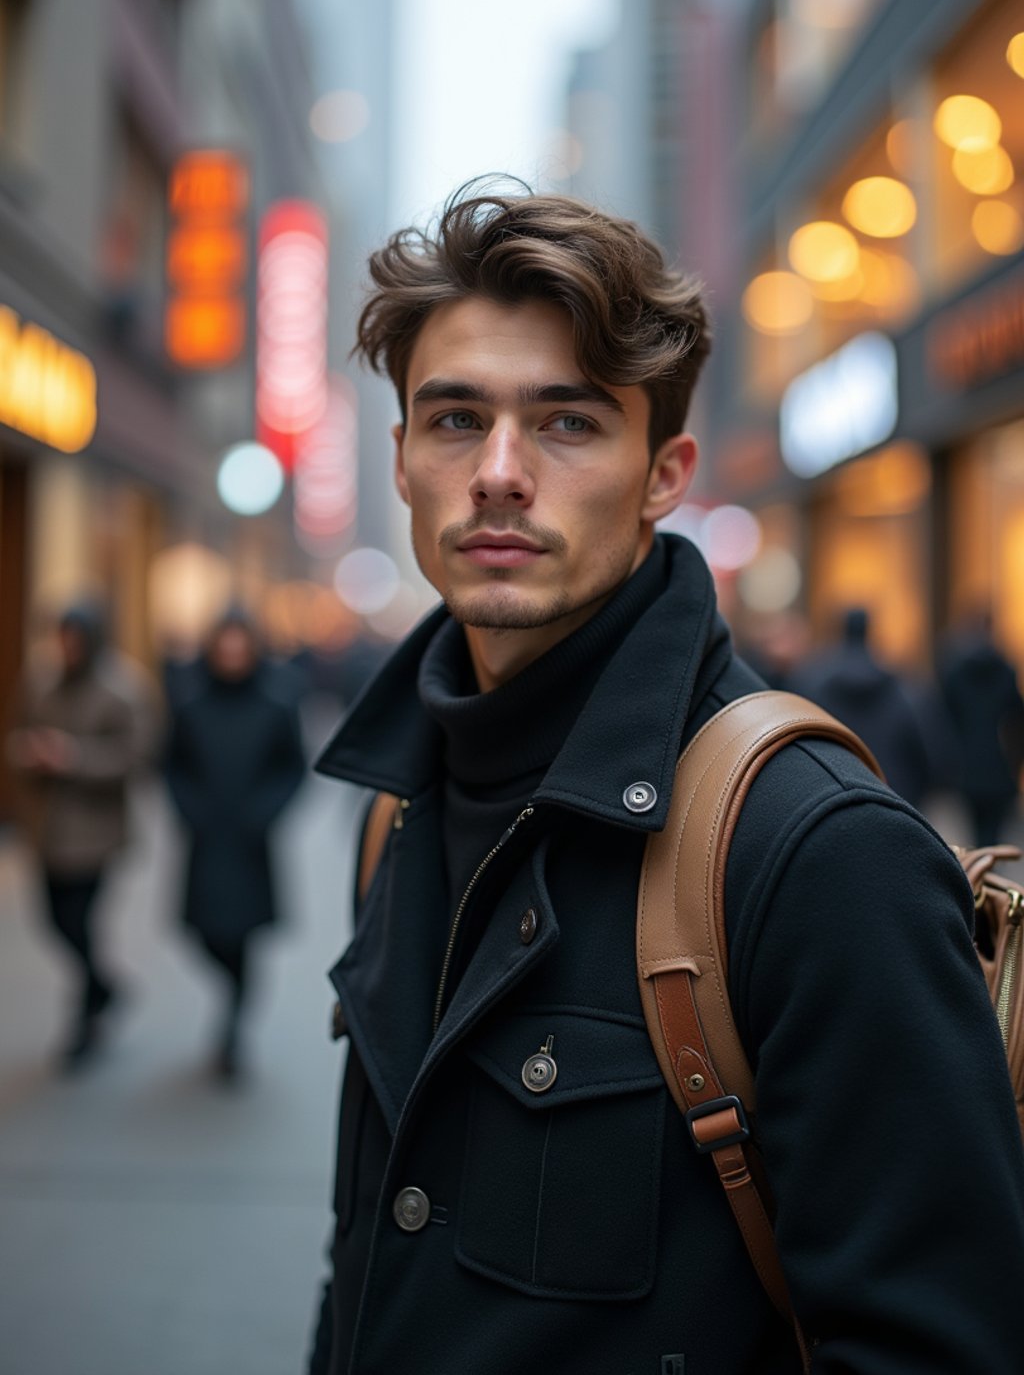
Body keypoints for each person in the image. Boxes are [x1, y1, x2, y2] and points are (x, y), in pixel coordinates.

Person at [307, 183, 1024, 1375]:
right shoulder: (395, 807)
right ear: (399, 460)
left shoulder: (812, 851)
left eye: (567, 422)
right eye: (452, 420)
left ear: (663, 471)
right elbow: (367, 1260)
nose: (496, 471)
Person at [5, 602, 155, 1069]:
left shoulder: (123, 688)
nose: (68, 647)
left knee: (81, 922)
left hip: (96, 834)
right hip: (47, 830)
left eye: (76, 638)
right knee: (54, 921)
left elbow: (135, 757)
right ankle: (105, 987)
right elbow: (14, 735)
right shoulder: (40, 682)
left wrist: (72, 758)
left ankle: (84, 1019)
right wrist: (30, 754)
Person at [165, 609, 306, 1080]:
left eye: (239, 644)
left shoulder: (276, 704)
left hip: (249, 842)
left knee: (243, 937)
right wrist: (190, 810)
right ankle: (231, 995)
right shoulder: (190, 703)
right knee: (203, 933)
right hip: (206, 840)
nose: (231, 654)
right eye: (223, 645)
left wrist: (265, 813)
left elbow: (293, 768)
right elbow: (171, 764)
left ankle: (233, 1031)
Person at [791, 605, 935, 808]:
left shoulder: (811, 682)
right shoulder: (900, 685)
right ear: (869, 629)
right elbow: (922, 747)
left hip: (830, 800)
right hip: (895, 796)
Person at [939, 610, 1024, 845]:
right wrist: (1015, 762)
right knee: (993, 837)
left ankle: (980, 875)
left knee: (976, 836)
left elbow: (944, 723)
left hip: (967, 769)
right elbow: (1018, 721)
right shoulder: (1005, 672)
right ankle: (988, 873)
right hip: (1000, 769)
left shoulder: (956, 674)